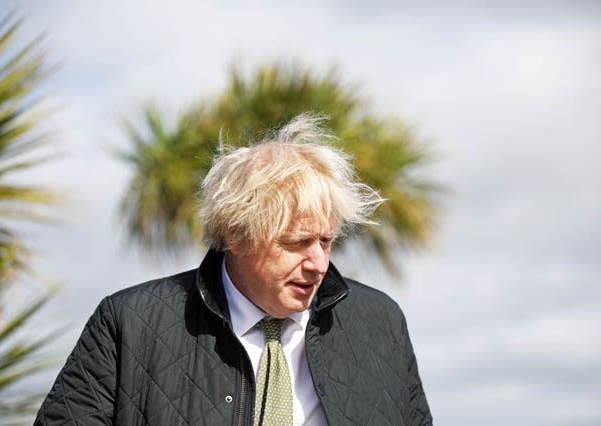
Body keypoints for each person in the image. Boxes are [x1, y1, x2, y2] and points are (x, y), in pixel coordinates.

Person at [35, 114, 432, 425]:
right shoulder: (129, 323)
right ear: (236, 235)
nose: (319, 264)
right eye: (296, 243)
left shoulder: (380, 322)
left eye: (326, 241)